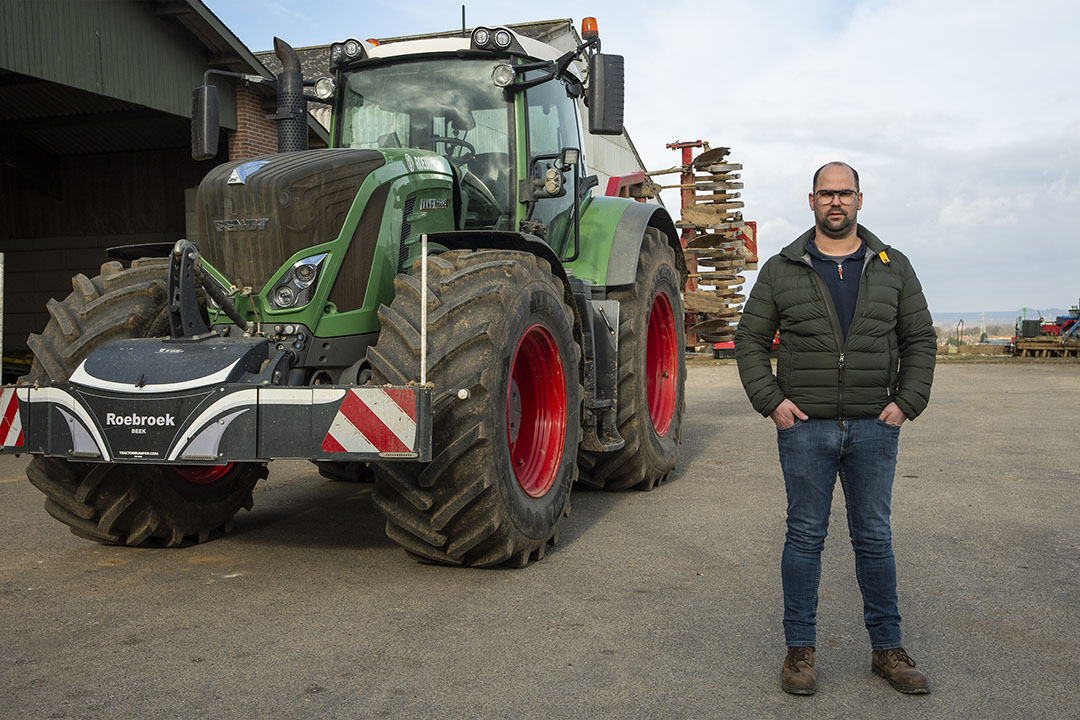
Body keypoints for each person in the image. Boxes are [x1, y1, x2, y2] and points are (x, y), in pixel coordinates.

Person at [734, 161, 937, 696]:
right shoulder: (783, 268)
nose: (836, 203)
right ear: (811, 201)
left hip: (874, 426)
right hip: (806, 429)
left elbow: (920, 340)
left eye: (845, 194)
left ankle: (887, 651)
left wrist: (905, 403)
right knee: (804, 537)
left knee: (874, 538)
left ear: (860, 200)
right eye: (827, 194)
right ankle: (799, 651)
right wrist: (771, 402)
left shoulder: (893, 267)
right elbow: (750, 340)